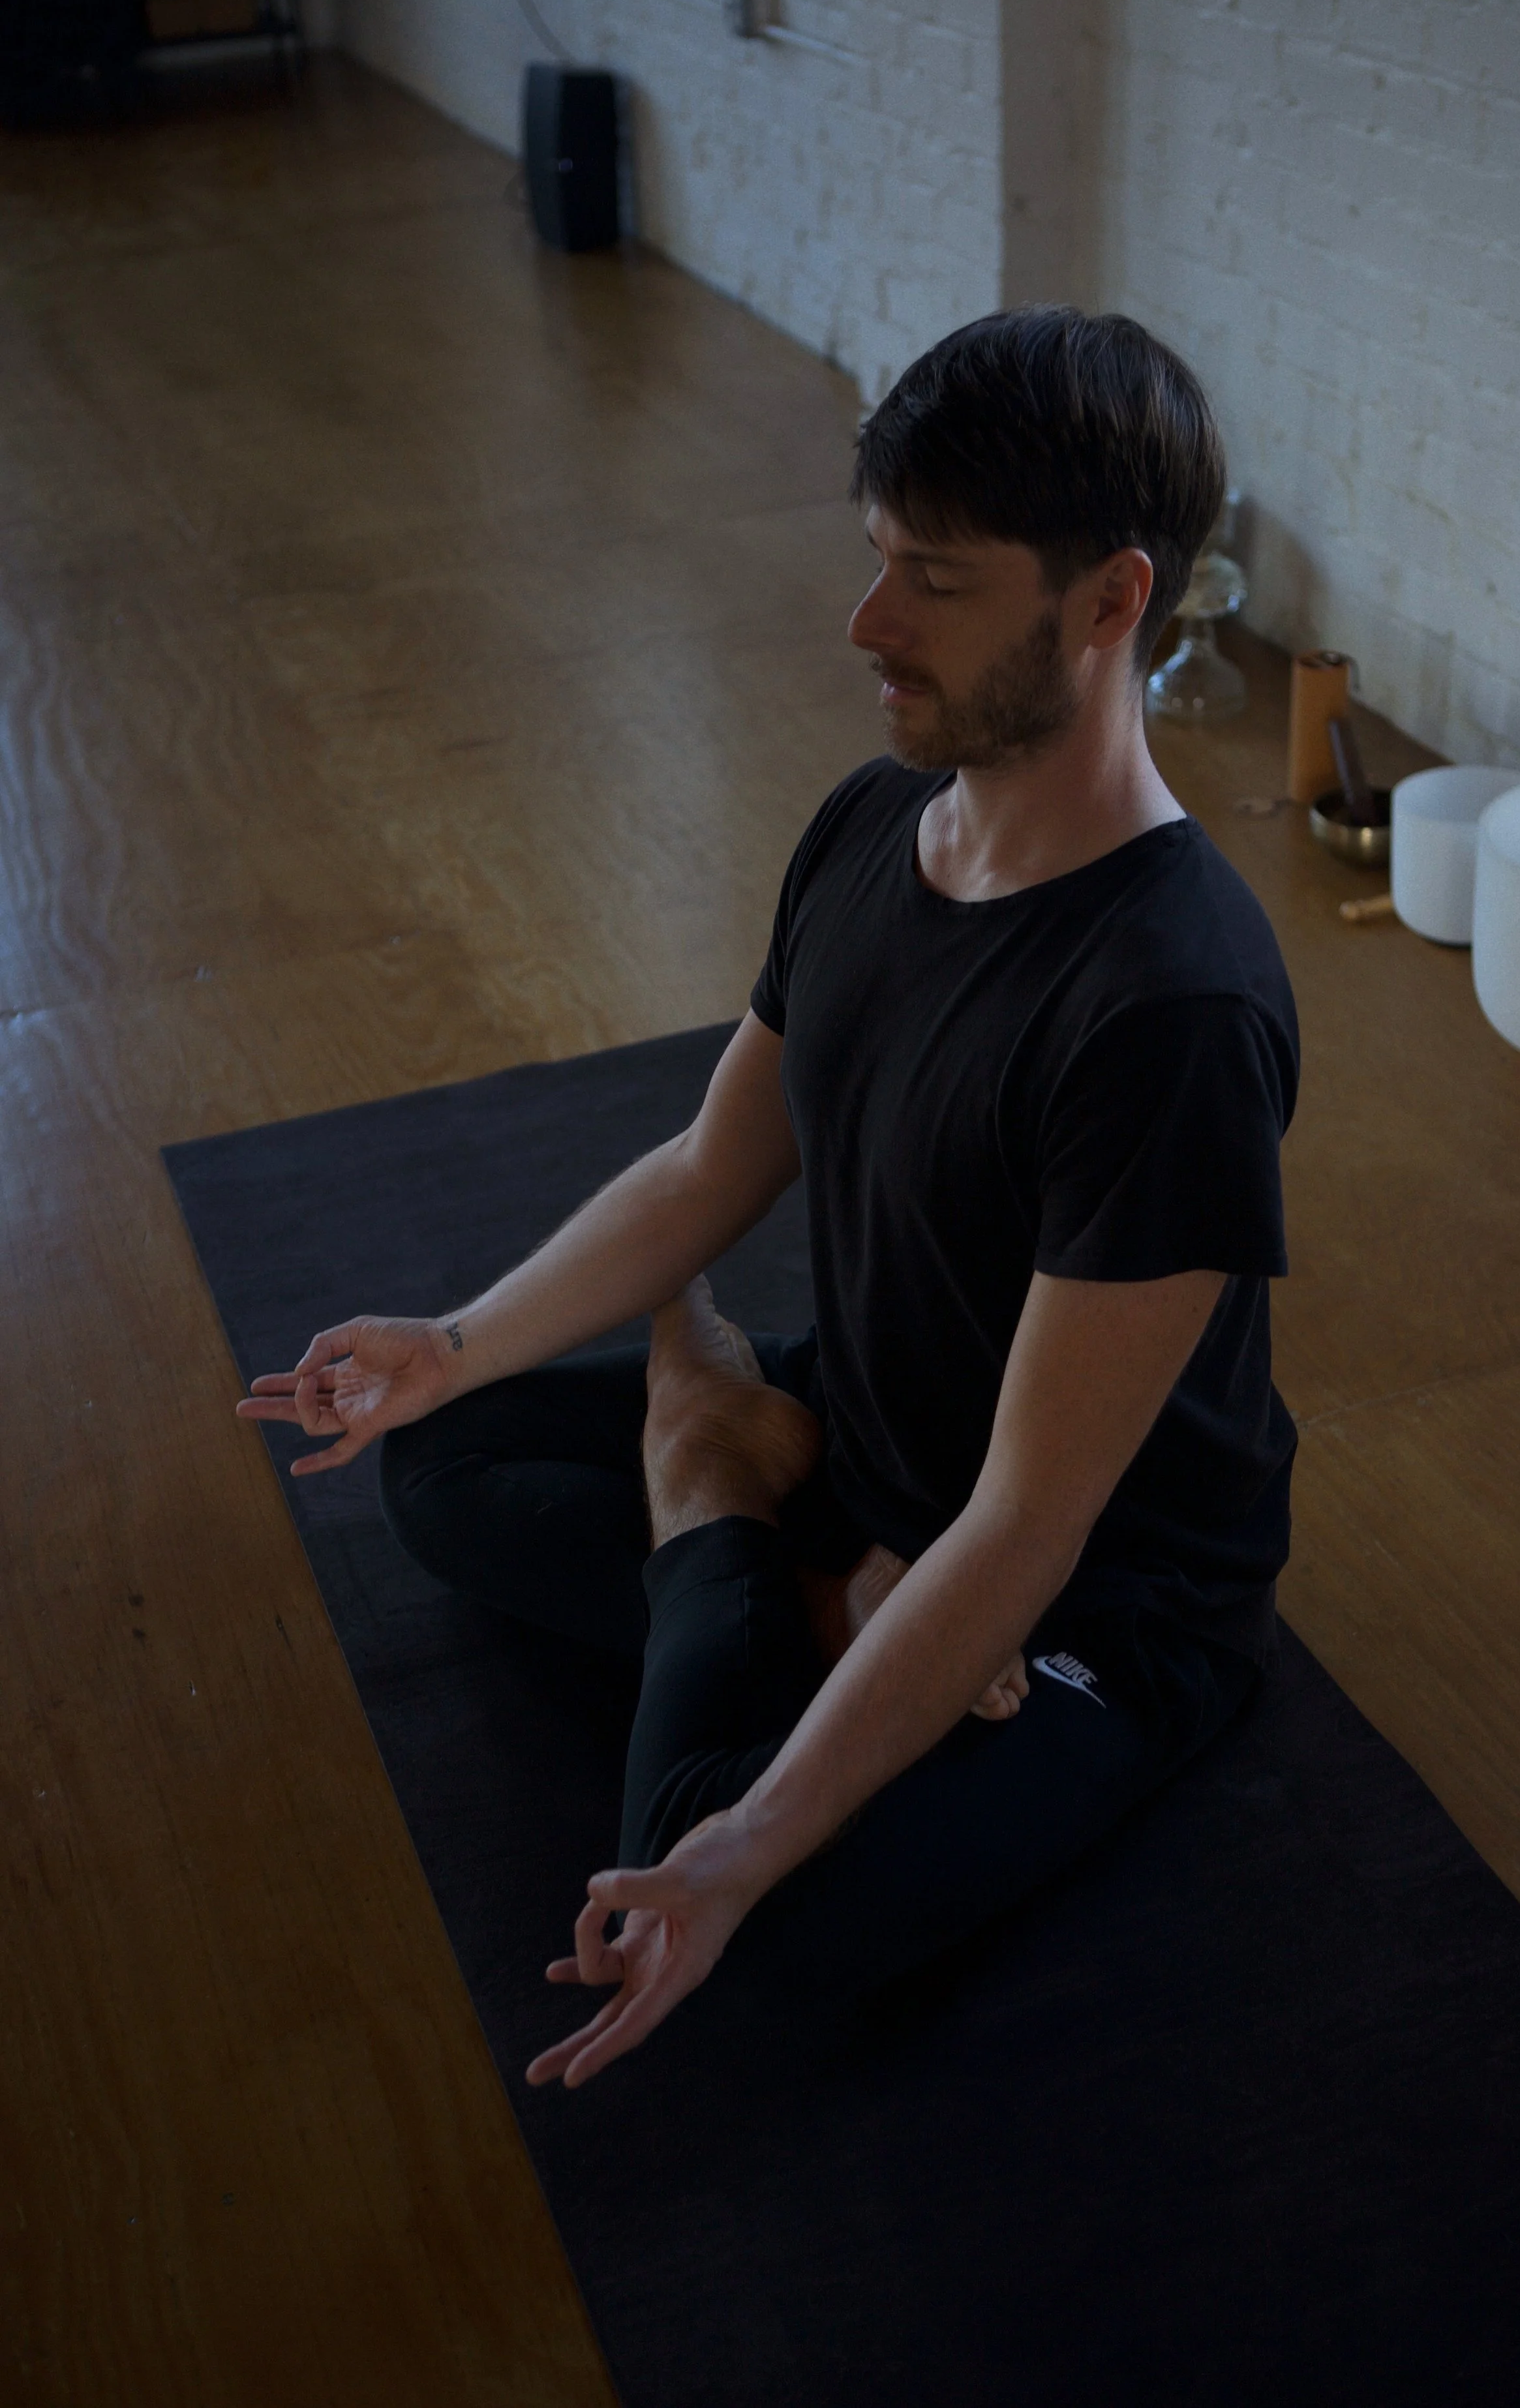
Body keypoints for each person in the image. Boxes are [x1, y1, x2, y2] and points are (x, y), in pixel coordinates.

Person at [238, 308, 1299, 2092]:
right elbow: (712, 1165)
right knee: (448, 1454)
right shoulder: (874, 827)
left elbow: (1032, 1520)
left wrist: (743, 1842)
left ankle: (713, 1477)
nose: (865, 623)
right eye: (876, 560)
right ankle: (783, 1535)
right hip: (871, 1422)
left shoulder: (1169, 1010)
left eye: (932, 583)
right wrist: (455, 1338)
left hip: (1096, 1595)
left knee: (755, 1897)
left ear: (1110, 603)